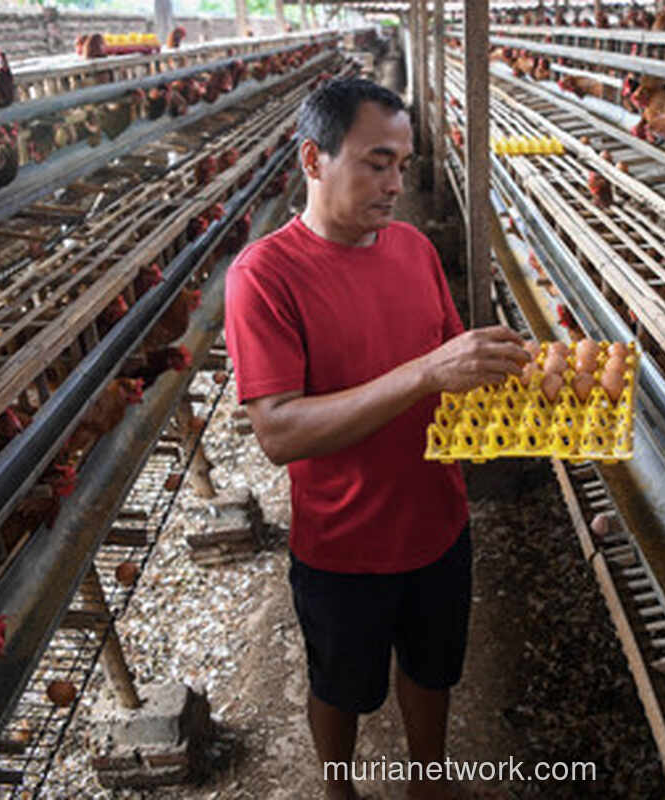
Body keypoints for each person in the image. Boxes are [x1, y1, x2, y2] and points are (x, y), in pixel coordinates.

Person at [224, 77, 527, 800]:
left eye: (403, 163)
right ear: (313, 159)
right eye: (376, 162)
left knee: (434, 669)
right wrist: (425, 373)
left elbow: (454, 371)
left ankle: (428, 781)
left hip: (439, 522)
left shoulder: (414, 249)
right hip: (344, 543)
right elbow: (279, 431)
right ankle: (338, 789)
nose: (397, 183)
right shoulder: (264, 277)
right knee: (341, 687)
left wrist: (527, 393)